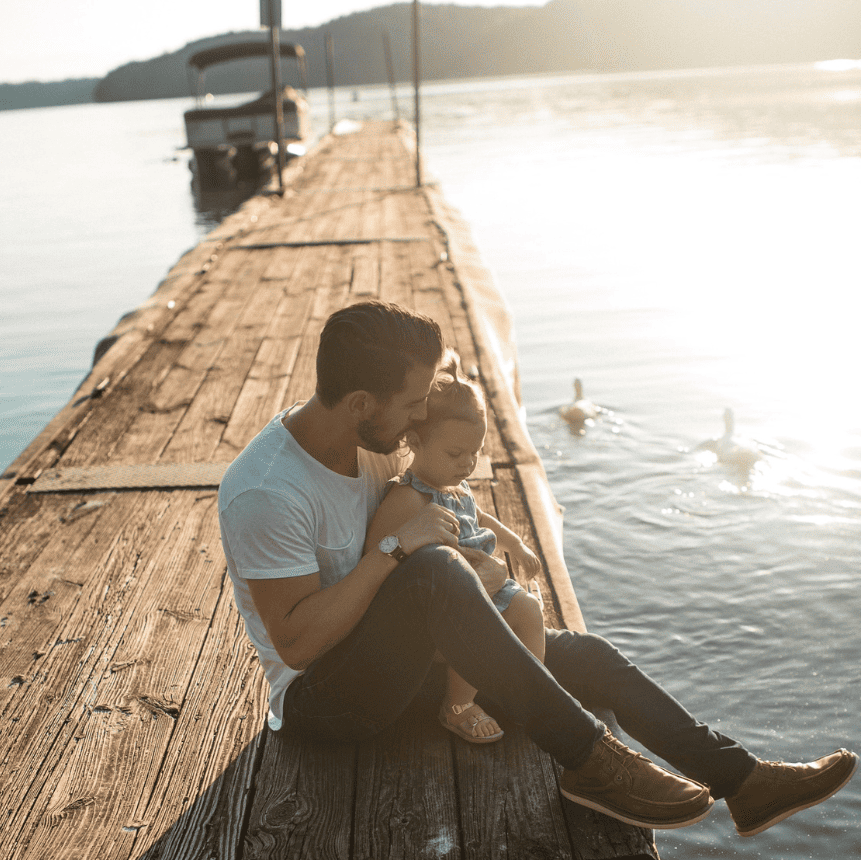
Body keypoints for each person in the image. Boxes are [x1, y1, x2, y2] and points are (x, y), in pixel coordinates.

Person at [218, 299, 857, 837]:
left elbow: (434, 503)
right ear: (361, 402)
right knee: (436, 571)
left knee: (589, 656)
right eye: (412, 403)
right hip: (327, 702)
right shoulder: (268, 490)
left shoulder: (374, 442)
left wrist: (480, 538)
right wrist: (395, 552)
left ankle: (743, 780)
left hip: (407, 662)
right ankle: (592, 763)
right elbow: (297, 645)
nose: (421, 415)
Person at [363, 350, 545, 744]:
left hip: (484, 583)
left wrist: (515, 544)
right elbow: (377, 559)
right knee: (477, 629)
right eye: (455, 454)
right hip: (447, 607)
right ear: (413, 440)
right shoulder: (408, 499)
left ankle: (529, 695)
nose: (467, 464)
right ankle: (457, 705)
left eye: (475, 453)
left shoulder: (454, 485)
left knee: (529, 611)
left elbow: (479, 517)